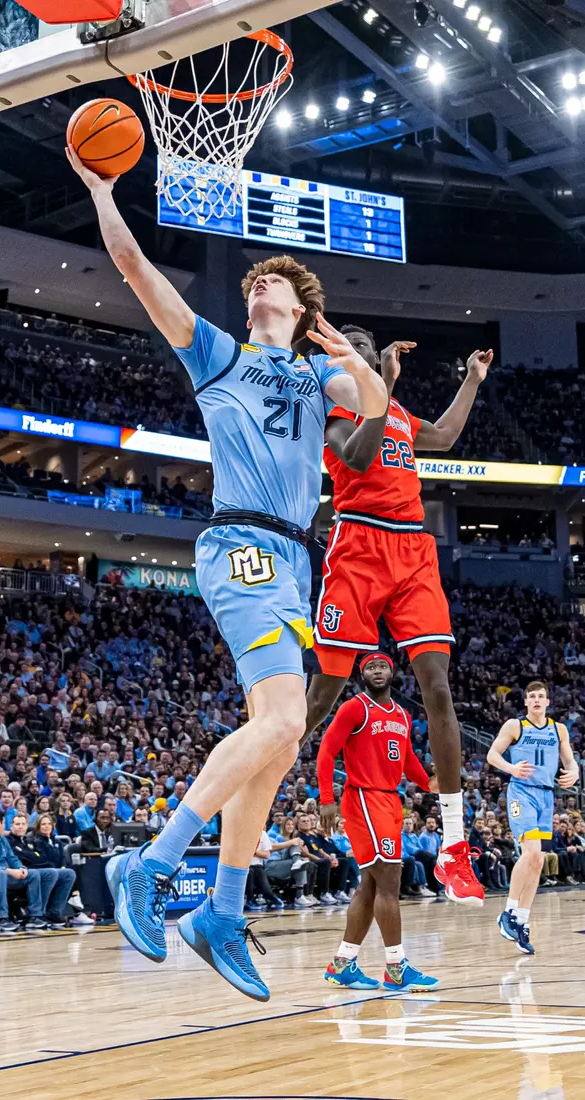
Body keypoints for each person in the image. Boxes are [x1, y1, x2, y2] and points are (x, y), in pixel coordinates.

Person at [68, 143, 388, 1003]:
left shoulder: (317, 374)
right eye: (252, 283)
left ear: (300, 306)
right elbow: (134, 268)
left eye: (272, 282)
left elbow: (375, 407)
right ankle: (150, 864)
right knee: (283, 718)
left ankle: (221, 911)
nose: (258, 288)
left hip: (294, 558)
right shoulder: (217, 353)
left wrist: (350, 357)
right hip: (240, 542)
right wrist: (102, 191)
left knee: (278, 744)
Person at [306, 325, 493, 908]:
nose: (359, 350)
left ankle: (454, 846)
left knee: (437, 688)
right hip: (358, 544)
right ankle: (256, 773)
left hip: (412, 548)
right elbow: (359, 456)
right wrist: (380, 386)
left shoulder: (403, 416)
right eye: (348, 346)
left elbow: (446, 435)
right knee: (321, 696)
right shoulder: (334, 413)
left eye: (365, 346)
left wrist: (471, 380)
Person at [318, 653, 439, 991]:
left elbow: (407, 759)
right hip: (363, 797)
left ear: (392, 671)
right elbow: (326, 751)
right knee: (389, 880)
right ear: (362, 675)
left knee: (371, 886)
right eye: (370, 667)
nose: (377, 671)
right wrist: (326, 800)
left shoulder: (402, 714)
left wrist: (429, 783)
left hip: (389, 800)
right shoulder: (354, 708)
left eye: (382, 666)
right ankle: (396, 968)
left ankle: (342, 963)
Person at [488, 681, 578, 955]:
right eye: (532, 696)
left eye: (541, 696)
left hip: (546, 796)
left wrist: (574, 771)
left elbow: (569, 761)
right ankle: (508, 912)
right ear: (526, 702)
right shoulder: (515, 725)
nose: (537, 700)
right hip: (521, 792)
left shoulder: (558, 729)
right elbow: (492, 755)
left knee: (538, 860)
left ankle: (522, 921)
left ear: (547, 702)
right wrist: (511, 768)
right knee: (532, 853)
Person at [0, 809, 45, 931]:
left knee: (33, 874)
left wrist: (21, 868)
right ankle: (1, 918)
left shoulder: (2, 838)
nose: (4, 825)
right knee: (0, 874)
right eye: (4, 822)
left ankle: (34, 915)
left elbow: (12, 857)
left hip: (6, 873)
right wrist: (9, 871)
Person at [7, 812, 74, 926]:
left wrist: (30, 856)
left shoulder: (27, 840)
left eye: (23, 824)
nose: (20, 826)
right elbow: (22, 857)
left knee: (69, 873)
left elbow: (39, 858)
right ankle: (38, 914)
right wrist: (31, 856)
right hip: (18, 873)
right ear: (11, 826)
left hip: (33, 870)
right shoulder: (9, 841)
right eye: (17, 824)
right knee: (50, 872)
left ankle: (54, 912)